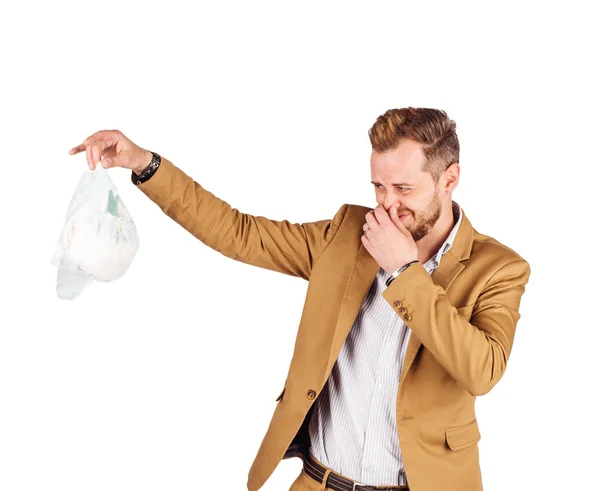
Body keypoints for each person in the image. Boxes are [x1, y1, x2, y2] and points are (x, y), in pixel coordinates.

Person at [68, 108, 531, 491]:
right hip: (319, 482)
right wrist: (144, 163)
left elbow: (482, 370)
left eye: (404, 189)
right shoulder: (348, 234)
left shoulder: (498, 268)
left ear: (450, 179)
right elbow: (240, 233)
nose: (387, 206)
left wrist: (404, 272)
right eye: (378, 187)